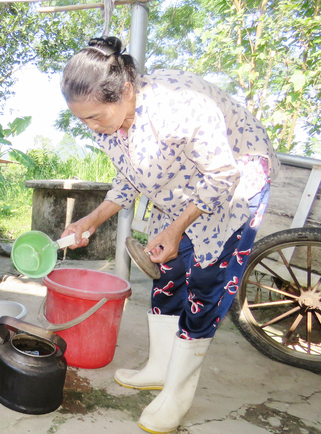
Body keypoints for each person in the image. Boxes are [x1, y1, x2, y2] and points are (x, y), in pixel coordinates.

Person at [60, 36, 280, 433]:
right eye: (82, 119)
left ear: (125, 90)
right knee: (170, 272)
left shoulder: (178, 107)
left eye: (95, 117)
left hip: (236, 184)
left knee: (206, 284)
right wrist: (90, 220)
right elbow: (128, 178)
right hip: (188, 190)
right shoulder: (111, 122)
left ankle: (177, 393)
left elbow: (221, 174)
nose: (91, 127)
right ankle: (160, 367)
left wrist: (177, 228)